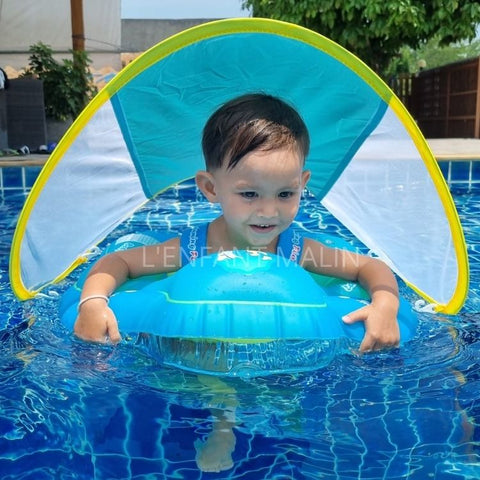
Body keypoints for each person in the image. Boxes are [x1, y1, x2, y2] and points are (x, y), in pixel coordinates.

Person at [74, 92, 400, 472]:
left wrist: (385, 305)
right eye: (249, 194)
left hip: (282, 356)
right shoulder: (192, 249)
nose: (268, 211)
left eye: (286, 194)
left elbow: (369, 268)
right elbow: (119, 263)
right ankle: (223, 421)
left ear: (303, 183)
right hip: (208, 358)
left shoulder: (298, 250)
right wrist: (92, 302)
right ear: (211, 188)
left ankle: (286, 411)